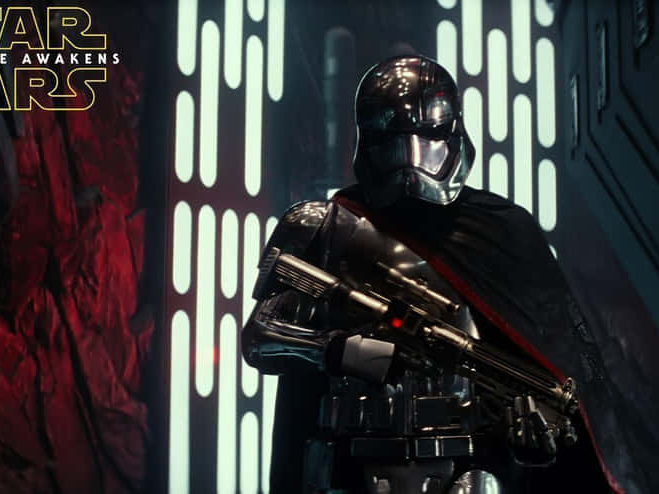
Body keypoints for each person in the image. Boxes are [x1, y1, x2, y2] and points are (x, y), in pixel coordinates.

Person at [242, 55, 616, 494]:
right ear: (368, 140)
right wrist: (342, 350)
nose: (412, 159)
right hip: (349, 466)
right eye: (392, 140)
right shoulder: (322, 227)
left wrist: (535, 440)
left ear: (453, 133)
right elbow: (260, 339)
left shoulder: (503, 230)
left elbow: (557, 368)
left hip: (465, 471)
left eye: (429, 136)